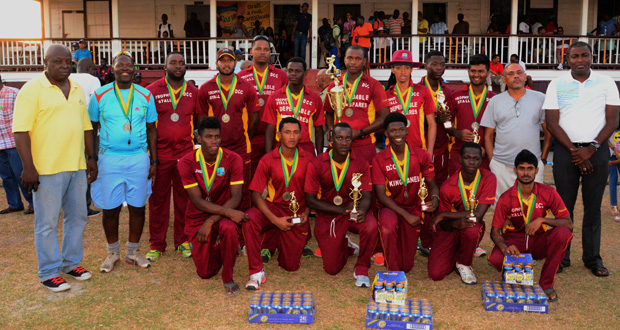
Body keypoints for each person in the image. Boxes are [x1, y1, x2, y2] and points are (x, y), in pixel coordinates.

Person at [14, 45, 97, 291]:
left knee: (78, 217)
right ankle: (48, 271)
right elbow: (20, 131)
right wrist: (28, 167)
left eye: (67, 61)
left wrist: (91, 158)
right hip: (46, 169)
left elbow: (86, 127)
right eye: (57, 61)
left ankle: (70, 263)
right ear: (45, 62)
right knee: (47, 222)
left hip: (76, 166)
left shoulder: (77, 88)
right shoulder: (31, 90)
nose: (64, 66)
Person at [543, 41, 619, 277]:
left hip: (596, 153)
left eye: (584, 55)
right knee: (563, 208)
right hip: (567, 153)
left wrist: (592, 148)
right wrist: (576, 152)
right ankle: (562, 257)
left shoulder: (606, 83)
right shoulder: (557, 84)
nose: (579, 61)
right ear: (567, 59)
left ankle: (592, 259)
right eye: (574, 56)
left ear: (592, 57)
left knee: (593, 207)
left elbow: (613, 121)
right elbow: (552, 123)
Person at [89, 51, 158, 272]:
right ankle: (112, 253)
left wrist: (154, 160)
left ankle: (133, 252)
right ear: (113, 68)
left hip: (138, 157)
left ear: (134, 68)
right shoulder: (99, 95)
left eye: (129, 65)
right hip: (109, 159)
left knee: (138, 206)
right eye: (120, 65)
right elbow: (90, 129)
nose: (125, 69)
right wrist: (91, 158)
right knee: (111, 208)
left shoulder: (145, 95)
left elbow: (152, 130)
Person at [489, 149, 573, 301]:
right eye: (522, 168)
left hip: (538, 240)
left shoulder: (548, 192)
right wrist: (505, 248)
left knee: (563, 233)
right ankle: (514, 269)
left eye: (530, 169)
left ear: (537, 170)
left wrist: (543, 220)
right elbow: (494, 232)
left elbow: (568, 223)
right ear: (515, 170)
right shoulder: (506, 197)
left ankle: (546, 285)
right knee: (495, 259)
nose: (526, 173)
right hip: (514, 241)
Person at [178, 116, 248, 297]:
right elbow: (197, 201)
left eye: (217, 136)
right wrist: (216, 216)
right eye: (208, 136)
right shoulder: (186, 162)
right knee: (205, 273)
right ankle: (224, 248)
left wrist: (212, 220)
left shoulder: (233, 159)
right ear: (199, 138)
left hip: (223, 215)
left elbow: (237, 196)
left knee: (230, 228)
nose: (214, 141)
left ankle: (228, 277)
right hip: (198, 216)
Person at [243, 117, 314, 289]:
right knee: (249, 219)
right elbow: (256, 194)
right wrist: (275, 220)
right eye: (287, 132)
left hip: (297, 214)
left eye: (296, 132)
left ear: (301, 135)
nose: (291, 137)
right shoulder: (267, 159)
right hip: (274, 209)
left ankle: (277, 238)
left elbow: (314, 192)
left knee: (290, 266)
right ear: (278, 135)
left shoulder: (309, 159)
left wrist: (306, 214)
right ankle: (256, 271)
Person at [305, 122, 378, 287]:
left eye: (348, 138)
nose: (344, 143)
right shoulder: (316, 163)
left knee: (371, 226)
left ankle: (362, 267)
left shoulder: (360, 163)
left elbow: (367, 195)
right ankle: (346, 246)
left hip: (351, 212)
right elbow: (310, 200)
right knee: (332, 269)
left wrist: (363, 211)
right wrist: (341, 210)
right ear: (330, 138)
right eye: (339, 138)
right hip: (329, 214)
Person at [144, 53, 199, 262]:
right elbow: (148, 127)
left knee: (185, 200)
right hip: (161, 155)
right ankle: (157, 244)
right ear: (164, 66)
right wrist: (152, 158)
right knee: (158, 201)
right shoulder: (152, 91)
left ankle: (183, 241)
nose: (178, 66)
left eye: (182, 63)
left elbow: (199, 124)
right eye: (173, 63)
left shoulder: (194, 92)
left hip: (186, 155)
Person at [373, 113, 439, 272]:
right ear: (386, 133)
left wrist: (435, 198)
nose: (398, 134)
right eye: (393, 131)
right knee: (388, 227)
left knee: (407, 266)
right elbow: (381, 196)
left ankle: (398, 260)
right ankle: (392, 271)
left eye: (401, 130)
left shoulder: (421, 154)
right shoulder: (380, 158)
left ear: (406, 131)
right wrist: (405, 215)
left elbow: (433, 184)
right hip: (390, 208)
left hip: (413, 208)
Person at [198, 48, 259, 210]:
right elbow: (201, 121)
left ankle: (241, 229)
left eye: (230, 60)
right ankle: (219, 227)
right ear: (216, 63)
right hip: (215, 149)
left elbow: (254, 121)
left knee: (242, 191)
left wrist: (243, 137)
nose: (226, 64)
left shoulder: (247, 87)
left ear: (235, 63)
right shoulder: (206, 88)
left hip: (241, 149)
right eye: (223, 60)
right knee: (217, 189)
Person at [429, 142, 496, 284]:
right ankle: (455, 253)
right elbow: (444, 225)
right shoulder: (448, 186)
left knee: (472, 227)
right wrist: (453, 222)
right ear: (460, 159)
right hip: (450, 229)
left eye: (476, 158)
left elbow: (478, 215)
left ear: (480, 160)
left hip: (471, 225)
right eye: (467, 157)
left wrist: (443, 215)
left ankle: (464, 263)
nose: (472, 161)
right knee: (436, 274)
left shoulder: (489, 178)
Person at [481, 63, 547, 202]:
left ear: (525, 77)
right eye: (510, 74)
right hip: (502, 166)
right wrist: (493, 161)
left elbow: (548, 132)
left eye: (519, 72)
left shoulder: (540, 98)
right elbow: (488, 135)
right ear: (504, 79)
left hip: (532, 166)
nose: (516, 76)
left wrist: (543, 159)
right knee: (504, 210)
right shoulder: (495, 101)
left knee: (533, 208)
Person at [323, 45, 389, 162]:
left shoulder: (374, 85)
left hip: (364, 145)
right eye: (350, 58)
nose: (353, 62)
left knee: (363, 179)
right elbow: (328, 112)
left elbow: (384, 118)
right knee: (337, 179)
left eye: (357, 59)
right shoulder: (335, 85)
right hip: (338, 146)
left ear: (364, 62)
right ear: (344, 60)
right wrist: (332, 129)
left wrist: (360, 132)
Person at [237, 35, 289, 177]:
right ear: (251, 52)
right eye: (258, 49)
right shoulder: (240, 77)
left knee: (275, 176)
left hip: (275, 137)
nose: (262, 52)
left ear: (270, 53)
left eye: (266, 49)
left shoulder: (281, 76)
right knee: (249, 177)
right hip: (250, 136)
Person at [446, 54, 496, 175]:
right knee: (458, 191)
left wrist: (488, 149)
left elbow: (500, 130)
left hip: (484, 155)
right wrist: (456, 133)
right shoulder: (456, 96)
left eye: (481, 71)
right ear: (468, 71)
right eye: (473, 71)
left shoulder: (494, 99)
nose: (476, 75)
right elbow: (445, 122)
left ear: (488, 73)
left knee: (482, 191)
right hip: (459, 155)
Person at [263, 57, 324, 156]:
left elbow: (319, 131)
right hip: (281, 146)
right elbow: (270, 129)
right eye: (290, 71)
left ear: (305, 73)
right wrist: (269, 156)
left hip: (305, 147)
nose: (293, 74)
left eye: (298, 71)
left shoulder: (315, 98)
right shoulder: (274, 97)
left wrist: (320, 157)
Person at [386, 50, 436, 155]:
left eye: (407, 68)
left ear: (411, 70)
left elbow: (432, 124)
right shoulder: (386, 95)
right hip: (392, 150)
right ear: (393, 69)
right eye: (399, 68)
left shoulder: (423, 91)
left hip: (418, 149)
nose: (403, 72)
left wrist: (430, 152)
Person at [69, 58, 102, 217]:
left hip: (68, 131)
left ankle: (71, 205)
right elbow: (97, 104)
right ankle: (85, 206)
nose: (95, 72)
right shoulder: (93, 80)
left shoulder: (67, 78)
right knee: (89, 164)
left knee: (72, 167)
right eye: (94, 69)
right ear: (89, 68)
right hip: (87, 130)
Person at [417, 51, 452, 187]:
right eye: (435, 64)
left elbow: (449, 121)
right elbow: (413, 119)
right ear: (426, 66)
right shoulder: (417, 89)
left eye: (442, 65)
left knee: (439, 186)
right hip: (420, 146)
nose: (439, 68)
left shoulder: (447, 91)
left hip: (441, 148)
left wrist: (447, 123)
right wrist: (434, 120)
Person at [0, 75, 33, 215]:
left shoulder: (14, 93)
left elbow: (26, 116)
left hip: (14, 143)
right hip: (0, 145)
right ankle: (14, 203)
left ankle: (32, 202)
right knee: (6, 177)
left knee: (21, 174)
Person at [608, 130, 620, 222]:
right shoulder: (611, 121)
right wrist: (613, 148)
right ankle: (613, 205)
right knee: (613, 178)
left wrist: (613, 162)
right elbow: (604, 138)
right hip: (610, 154)